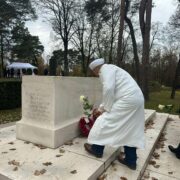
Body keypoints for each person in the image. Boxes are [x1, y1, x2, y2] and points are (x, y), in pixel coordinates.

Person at [84, 58, 145, 170]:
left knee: (104, 121)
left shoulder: (105, 69)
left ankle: (97, 149)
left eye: (94, 72)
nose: (96, 75)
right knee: (130, 128)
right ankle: (131, 160)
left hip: (127, 100)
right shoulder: (113, 69)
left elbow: (108, 89)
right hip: (137, 99)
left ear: (95, 69)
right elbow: (113, 93)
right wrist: (102, 107)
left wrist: (103, 110)